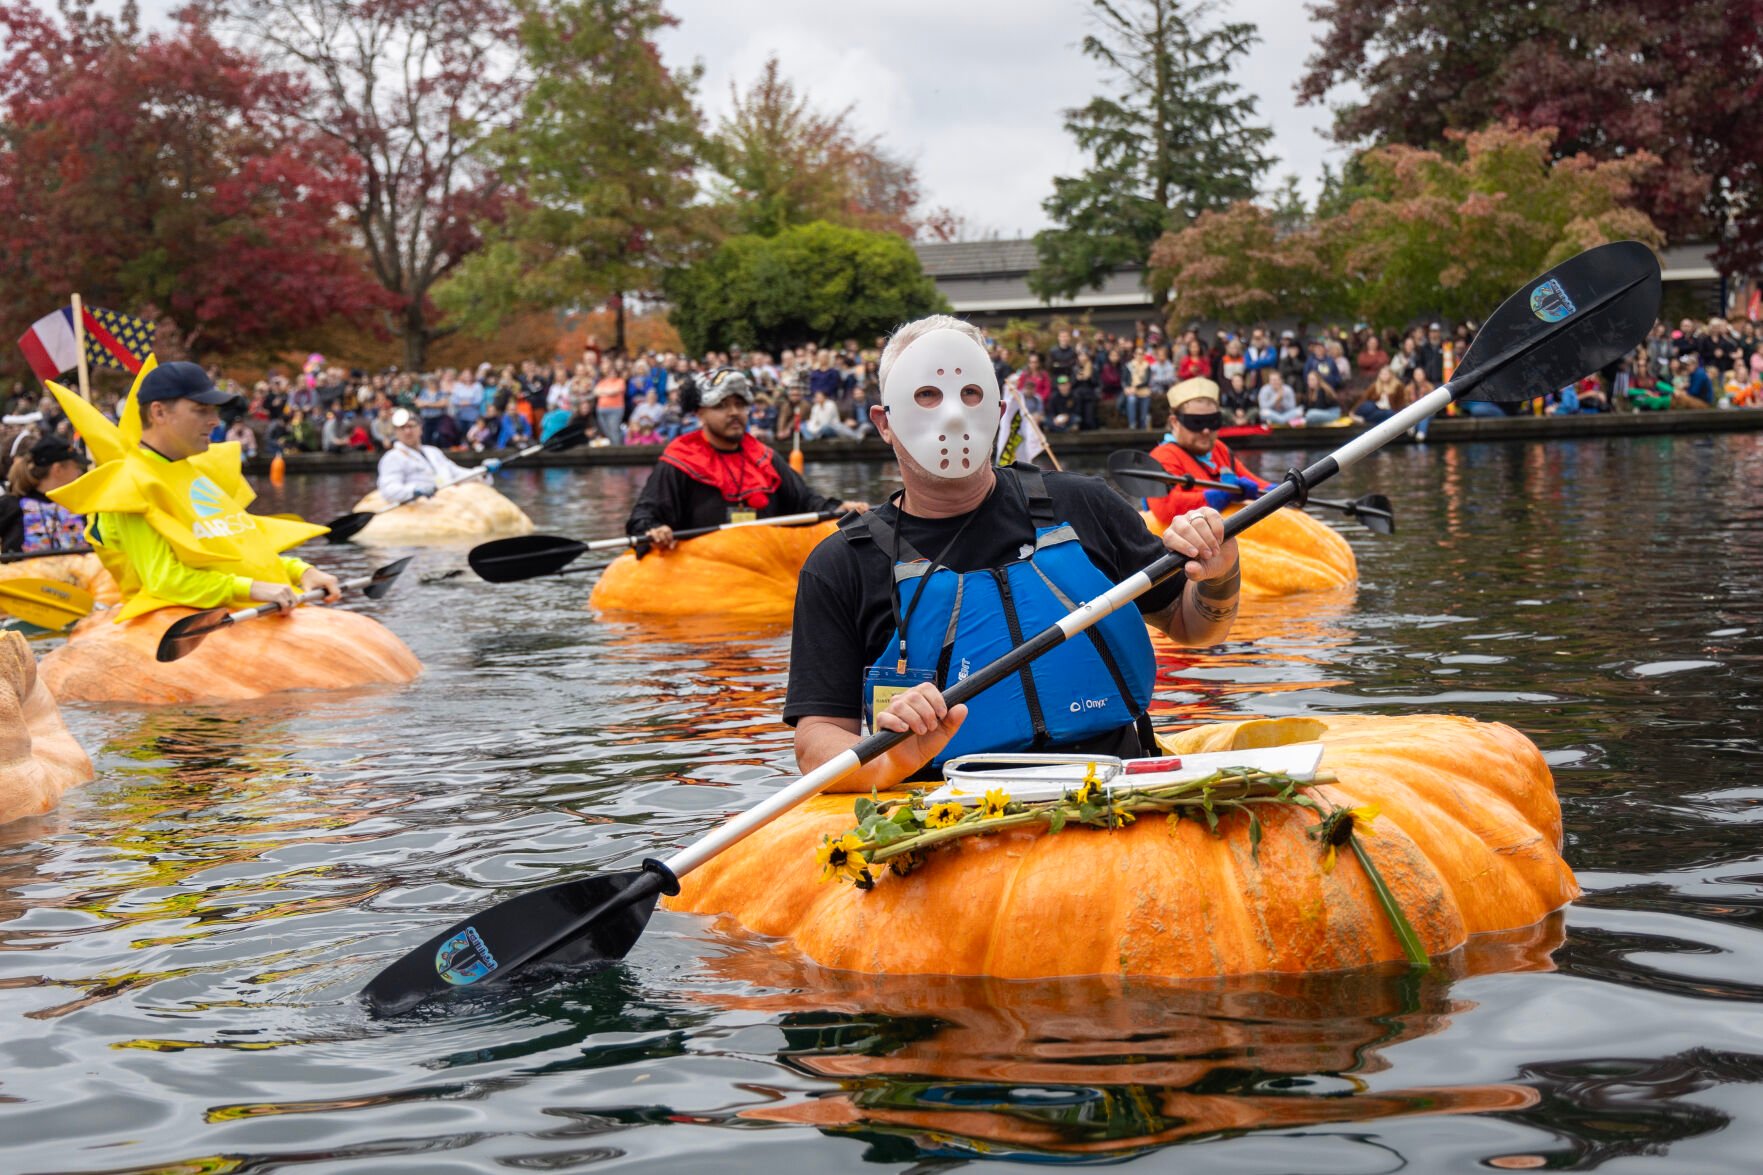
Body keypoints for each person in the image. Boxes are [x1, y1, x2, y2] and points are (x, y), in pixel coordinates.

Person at [784, 316, 1240, 789]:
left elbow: (1194, 627)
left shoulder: (1083, 504)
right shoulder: (841, 564)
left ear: (999, 410)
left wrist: (1220, 570)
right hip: (947, 808)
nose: (953, 415)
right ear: (884, 422)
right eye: (926, 395)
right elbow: (816, 741)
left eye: (971, 395)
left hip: (1116, 783)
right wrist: (889, 759)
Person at [44, 361, 338, 620]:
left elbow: (239, 549)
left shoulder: (197, 473)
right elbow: (164, 580)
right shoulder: (130, 484)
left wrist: (301, 571)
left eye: (213, 410)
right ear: (159, 412)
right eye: (201, 410)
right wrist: (252, 588)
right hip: (174, 629)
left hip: (251, 614)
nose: (215, 420)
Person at [625, 367, 868, 549]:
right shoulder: (679, 461)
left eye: (740, 405)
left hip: (765, 567)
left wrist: (837, 508)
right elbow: (643, 517)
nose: (733, 413)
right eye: (722, 405)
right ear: (700, 413)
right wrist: (654, 530)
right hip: (703, 574)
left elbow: (805, 502)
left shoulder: (765, 457)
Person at [1145, 378, 1274, 526]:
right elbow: (1165, 508)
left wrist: (1282, 490)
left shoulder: (1218, 448)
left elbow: (1254, 482)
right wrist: (1221, 496)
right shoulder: (1163, 456)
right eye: (1196, 423)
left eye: (1212, 422)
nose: (1206, 431)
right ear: (1175, 422)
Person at [377, 407, 495, 504]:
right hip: (420, 507)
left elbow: (457, 473)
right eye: (402, 428)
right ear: (396, 432)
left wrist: (483, 471)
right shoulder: (392, 458)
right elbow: (389, 490)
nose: (407, 431)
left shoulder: (433, 452)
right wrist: (414, 490)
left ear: (420, 428)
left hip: (445, 502)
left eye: (411, 426)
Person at [0, 436, 86, 554]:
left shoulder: (81, 505)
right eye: (76, 467)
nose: (79, 473)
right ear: (57, 469)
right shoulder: (12, 505)